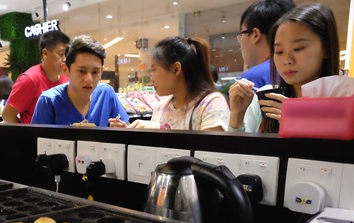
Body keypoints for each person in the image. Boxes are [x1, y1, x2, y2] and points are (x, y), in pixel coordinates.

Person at [229, 3, 340, 133]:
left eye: (298, 49)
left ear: (326, 48)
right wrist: (237, 115)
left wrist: (301, 125)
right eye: (279, 51)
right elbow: (235, 151)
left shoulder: (344, 102)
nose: (287, 60)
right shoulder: (265, 98)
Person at [112, 36, 229, 131]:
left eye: (154, 69)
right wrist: (129, 132)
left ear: (176, 69)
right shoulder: (162, 106)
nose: (151, 77)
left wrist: (163, 129)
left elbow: (209, 153)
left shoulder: (211, 103)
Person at [31, 35, 129, 127]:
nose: (89, 79)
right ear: (65, 70)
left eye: (95, 72)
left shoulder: (106, 93)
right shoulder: (49, 101)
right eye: (82, 71)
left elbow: (126, 127)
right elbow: (36, 142)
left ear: (101, 71)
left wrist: (121, 130)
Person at [2, 30, 70, 124]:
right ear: (45, 53)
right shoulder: (29, 79)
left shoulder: (68, 78)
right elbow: (7, 115)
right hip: (36, 137)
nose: (65, 59)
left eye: (67, 54)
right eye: (61, 54)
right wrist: (28, 132)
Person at [236, 0, 296, 89]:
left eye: (241, 34)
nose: (240, 42)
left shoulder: (252, 78)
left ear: (255, 34)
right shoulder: (302, 69)